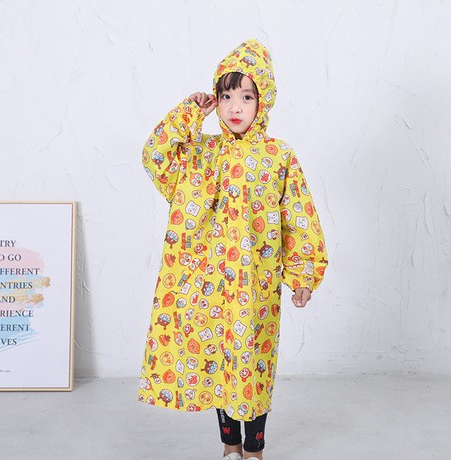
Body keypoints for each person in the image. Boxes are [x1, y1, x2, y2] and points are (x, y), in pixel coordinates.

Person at [138, 38, 329, 460]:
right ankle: (230, 447)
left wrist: (303, 274)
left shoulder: (279, 157)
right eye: (226, 97)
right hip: (209, 284)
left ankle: (254, 449)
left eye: (246, 96)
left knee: (252, 364)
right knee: (220, 365)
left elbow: (298, 217)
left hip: (256, 285)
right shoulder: (202, 154)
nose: (235, 107)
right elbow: (155, 156)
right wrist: (189, 113)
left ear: (264, 101)